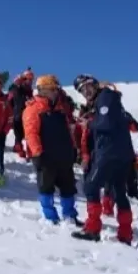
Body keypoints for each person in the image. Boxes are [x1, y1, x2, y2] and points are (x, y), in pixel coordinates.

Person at [71, 74, 136, 244]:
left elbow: (105, 124)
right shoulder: (109, 100)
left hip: (109, 152)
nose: (85, 92)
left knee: (91, 186)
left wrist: (89, 124)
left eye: (87, 87)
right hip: (122, 153)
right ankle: (125, 233)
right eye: (81, 90)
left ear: (95, 84)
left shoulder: (106, 97)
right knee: (119, 192)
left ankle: (93, 229)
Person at [22, 74, 81, 226]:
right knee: (46, 187)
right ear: (43, 90)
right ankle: (50, 217)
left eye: (56, 89)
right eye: (53, 89)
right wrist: (37, 153)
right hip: (45, 155)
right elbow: (31, 133)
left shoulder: (60, 109)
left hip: (64, 155)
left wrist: (73, 148)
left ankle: (70, 215)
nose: (56, 92)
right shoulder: (33, 108)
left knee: (68, 186)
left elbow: (68, 130)